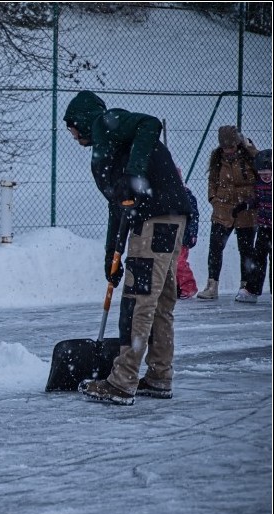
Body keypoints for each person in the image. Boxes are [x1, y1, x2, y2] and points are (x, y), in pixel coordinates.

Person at [63, 91, 193, 406]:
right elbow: (118, 208)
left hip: (155, 220)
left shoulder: (106, 125)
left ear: (82, 118)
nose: (73, 135)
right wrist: (112, 256)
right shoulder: (110, 146)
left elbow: (150, 123)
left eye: (72, 127)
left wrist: (135, 173)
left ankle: (122, 382)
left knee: (138, 301)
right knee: (160, 301)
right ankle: (159, 376)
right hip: (170, 219)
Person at [197, 125, 259, 300]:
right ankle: (212, 285)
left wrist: (251, 148)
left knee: (246, 249)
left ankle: (245, 286)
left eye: (231, 147)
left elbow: (263, 170)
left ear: (238, 144)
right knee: (215, 247)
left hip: (245, 210)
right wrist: (214, 200)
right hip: (223, 209)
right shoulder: (217, 158)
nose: (228, 151)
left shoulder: (249, 156)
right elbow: (212, 181)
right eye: (225, 147)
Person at [233, 148, 272, 302]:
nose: (266, 176)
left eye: (269, 173)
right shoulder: (258, 185)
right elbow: (256, 201)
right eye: (263, 174)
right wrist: (244, 206)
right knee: (258, 258)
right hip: (264, 227)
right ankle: (252, 290)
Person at [175, 170, 200, 299]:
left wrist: (192, 233)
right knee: (170, 264)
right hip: (170, 236)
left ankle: (189, 287)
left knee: (179, 262)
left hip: (183, 236)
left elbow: (194, 217)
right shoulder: (165, 196)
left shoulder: (187, 196)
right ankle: (177, 287)